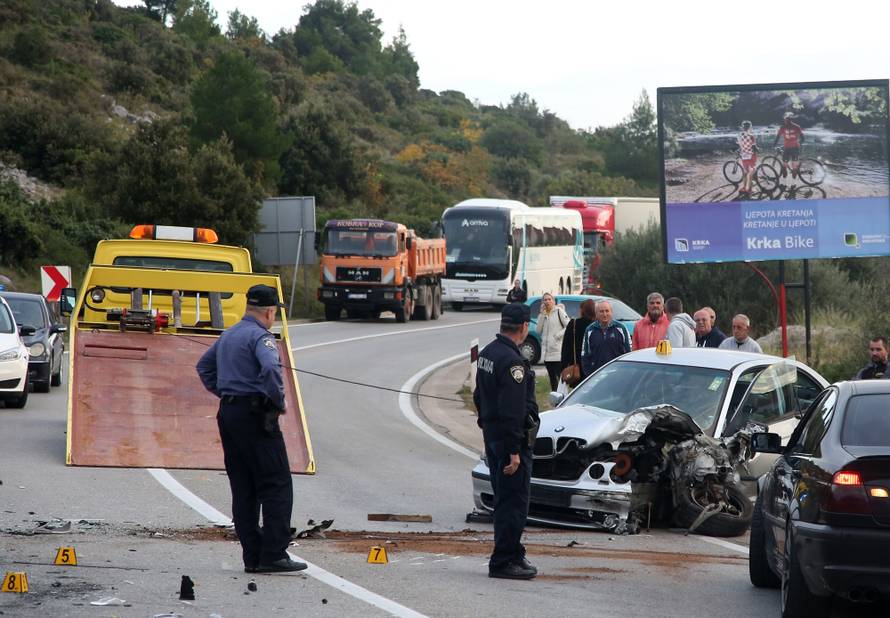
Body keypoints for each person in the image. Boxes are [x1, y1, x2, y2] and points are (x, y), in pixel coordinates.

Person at [196, 284, 306, 574]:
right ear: (270, 311)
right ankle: (273, 554)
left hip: (230, 414)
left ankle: (252, 556)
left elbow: (203, 367)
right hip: (256, 415)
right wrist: (277, 400)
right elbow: (270, 369)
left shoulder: (229, 334)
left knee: (243, 486)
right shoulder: (261, 337)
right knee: (275, 483)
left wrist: (226, 393)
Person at [473, 303, 539, 580]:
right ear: (524, 327)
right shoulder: (512, 362)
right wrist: (514, 451)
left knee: (505, 498)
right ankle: (503, 561)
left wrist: (486, 427)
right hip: (510, 442)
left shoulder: (488, 353)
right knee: (513, 502)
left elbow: (479, 396)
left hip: (493, 436)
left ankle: (513, 552)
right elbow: (513, 411)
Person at [581, 300, 631, 376]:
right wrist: (589, 374)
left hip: (618, 374)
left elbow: (629, 352)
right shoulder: (589, 330)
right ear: (596, 314)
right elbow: (585, 354)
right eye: (601, 311)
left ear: (611, 312)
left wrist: (624, 372)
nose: (605, 314)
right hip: (597, 375)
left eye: (607, 311)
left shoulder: (621, 328)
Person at [535, 293, 568, 390]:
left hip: (557, 352)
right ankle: (555, 398)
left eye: (549, 299)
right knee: (552, 378)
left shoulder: (559, 311)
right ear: (543, 302)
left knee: (561, 378)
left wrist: (558, 336)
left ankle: (563, 396)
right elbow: (538, 330)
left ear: (553, 301)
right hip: (546, 353)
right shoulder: (543, 314)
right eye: (545, 300)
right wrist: (541, 314)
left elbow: (568, 326)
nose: (547, 301)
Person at [560, 299, 595, 380]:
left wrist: (563, 366)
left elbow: (566, 347)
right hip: (593, 365)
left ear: (582, 310)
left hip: (577, 366)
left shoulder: (574, 324)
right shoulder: (597, 325)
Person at [773, 111, 804, 180]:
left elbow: (778, 137)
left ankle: (790, 181)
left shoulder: (786, 127)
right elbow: (802, 138)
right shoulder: (795, 127)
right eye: (786, 119)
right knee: (789, 166)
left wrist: (774, 145)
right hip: (792, 148)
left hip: (791, 148)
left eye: (787, 119)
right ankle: (789, 181)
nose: (786, 121)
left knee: (789, 166)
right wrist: (799, 143)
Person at [737, 120, 758, 197]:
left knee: (745, 172)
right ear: (750, 127)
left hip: (744, 156)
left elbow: (740, 145)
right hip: (751, 156)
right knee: (752, 172)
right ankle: (750, 190)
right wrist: (758, 150)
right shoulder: (752, 135)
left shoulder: (739, 135)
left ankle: (744, 188)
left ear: (743, 127)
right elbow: (754, 147)